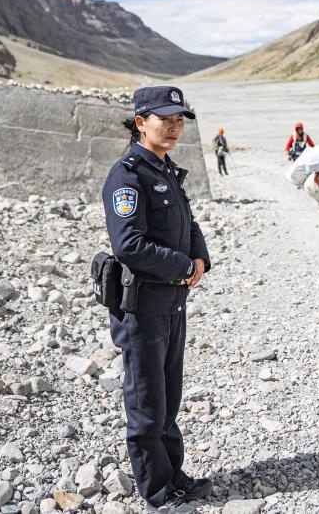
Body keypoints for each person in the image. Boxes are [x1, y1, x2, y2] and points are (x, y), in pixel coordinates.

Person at [102, 86, 212, 511]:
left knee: (169, 395)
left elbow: (187, 222)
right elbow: (128, 245)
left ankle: (173, 475)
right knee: (147, 401)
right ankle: (157, 491)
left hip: (172, 302)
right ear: (140, 122)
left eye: (179, 120)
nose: (173, 127)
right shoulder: (128, 175)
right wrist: (183, 266)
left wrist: (199, 257)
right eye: (164, 119)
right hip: (143, 306)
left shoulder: (165, 170)